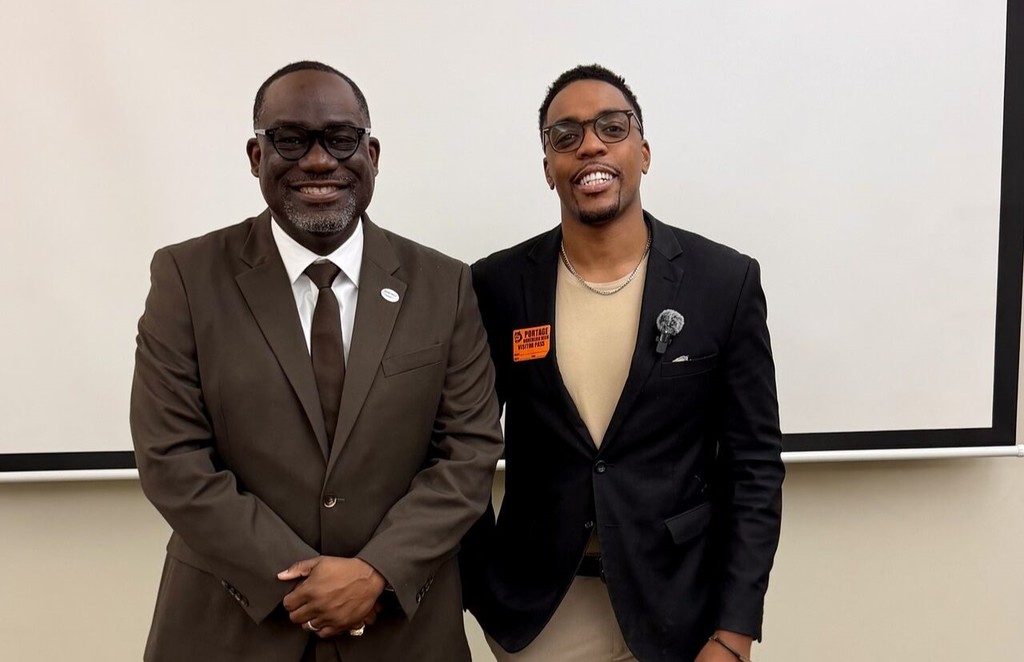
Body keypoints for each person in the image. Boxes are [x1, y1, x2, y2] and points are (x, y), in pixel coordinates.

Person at [130, 60, 503, 662]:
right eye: (290, 139)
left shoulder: (446, 285)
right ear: (256, 156)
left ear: (372, 153)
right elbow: (170, 458)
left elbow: (470, 452)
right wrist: (303, 583)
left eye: (340, 138)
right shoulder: (186, 277)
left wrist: (377, 572)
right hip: (231, 630)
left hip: (400, 630)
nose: (318, 160)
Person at [462, 64, 784, 662]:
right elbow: (460, 443)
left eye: (611, 127)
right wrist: (481, 580)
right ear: (548, 168)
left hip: (681, 606)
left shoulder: (724, 281)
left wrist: (735, 631)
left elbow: (755, 466)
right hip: (543, 611)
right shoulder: (497, 285)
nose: (589, 145)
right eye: (565, 136)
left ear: (643, 151)